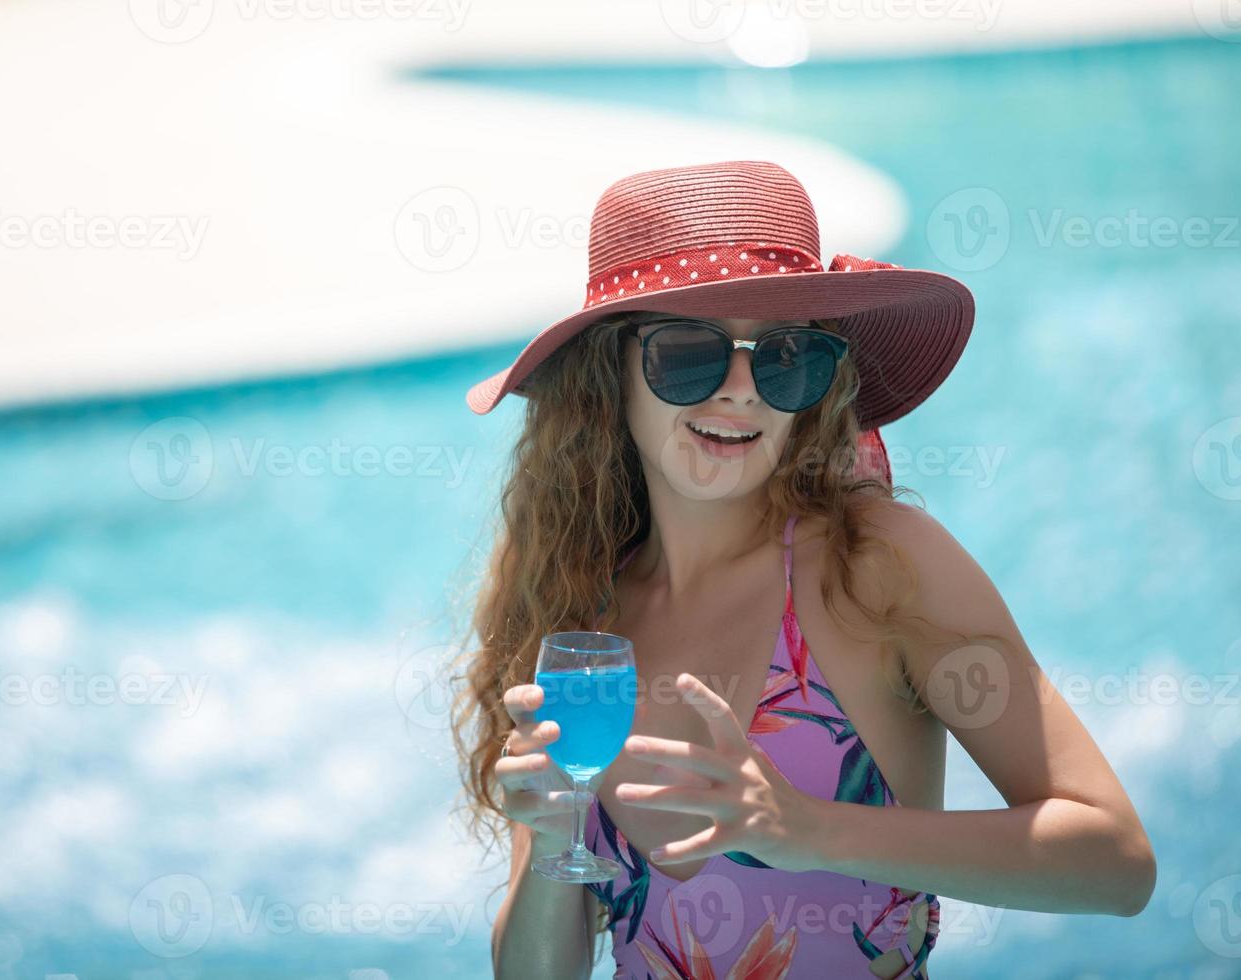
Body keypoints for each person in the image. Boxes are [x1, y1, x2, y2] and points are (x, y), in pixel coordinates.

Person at [455, 160, 1156, 979]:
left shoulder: (878, 568)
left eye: (786, 358)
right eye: (690, 355)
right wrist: (548, 843)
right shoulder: (583, 621)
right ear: (610, 374)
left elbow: (1115, 861)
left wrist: (802, 828)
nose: (743, 392)